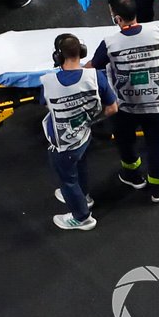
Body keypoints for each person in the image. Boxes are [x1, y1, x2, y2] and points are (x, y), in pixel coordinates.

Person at [86, 0, 159, 203]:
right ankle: (158, 187)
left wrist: (71, 70)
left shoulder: (109, 42)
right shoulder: (156, 31)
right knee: (158, 145)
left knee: (126, 141)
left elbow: (92, 67)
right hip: (157, 104)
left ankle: (133, 176)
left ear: (117, 18)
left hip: (125, 107)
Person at [38, 33, 118, 231]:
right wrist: (91, 120)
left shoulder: (48, 83)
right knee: (80, 165)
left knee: (67, 180)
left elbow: (46, 105)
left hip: (63, 144)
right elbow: (112, 108)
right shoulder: (95, 76)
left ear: (58, 57)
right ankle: (85, 196)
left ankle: (82, 217)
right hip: (84, 135)